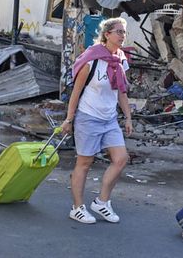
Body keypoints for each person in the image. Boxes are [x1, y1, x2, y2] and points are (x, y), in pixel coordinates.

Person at [61, 17, 132, 224]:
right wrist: (69, 119)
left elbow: (122, 92)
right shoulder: (92, 60)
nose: (122, 36)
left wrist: (127, 117)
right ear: (107, 34)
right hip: (88, 117)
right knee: (84, 163)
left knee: (120, 159)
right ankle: (77, 208)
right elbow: (76, 92)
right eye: (119, 31)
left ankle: (102, 202)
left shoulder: (121, 60)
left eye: (124, 32)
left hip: (109, 119)